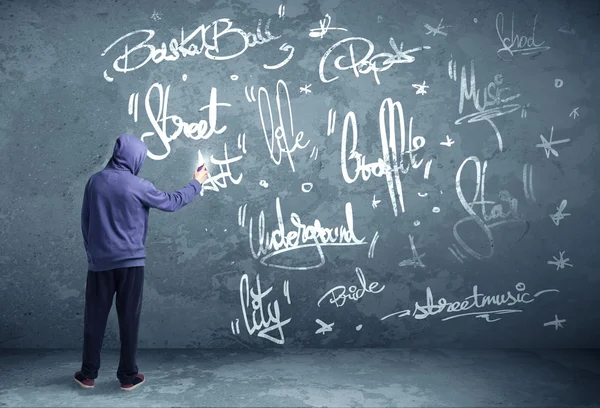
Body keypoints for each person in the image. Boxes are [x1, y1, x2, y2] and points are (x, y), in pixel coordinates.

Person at [74, 134, 209, 391]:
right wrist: (197, 182)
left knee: (94, 320)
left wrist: (92, 254)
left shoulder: (94, 182)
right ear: (135, 158)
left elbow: (86, 221)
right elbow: (172, 202)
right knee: (129, 320)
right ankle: (127, 377)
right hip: (131, 264)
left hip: (99, 263)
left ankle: (88, 375)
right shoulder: (139, 185)